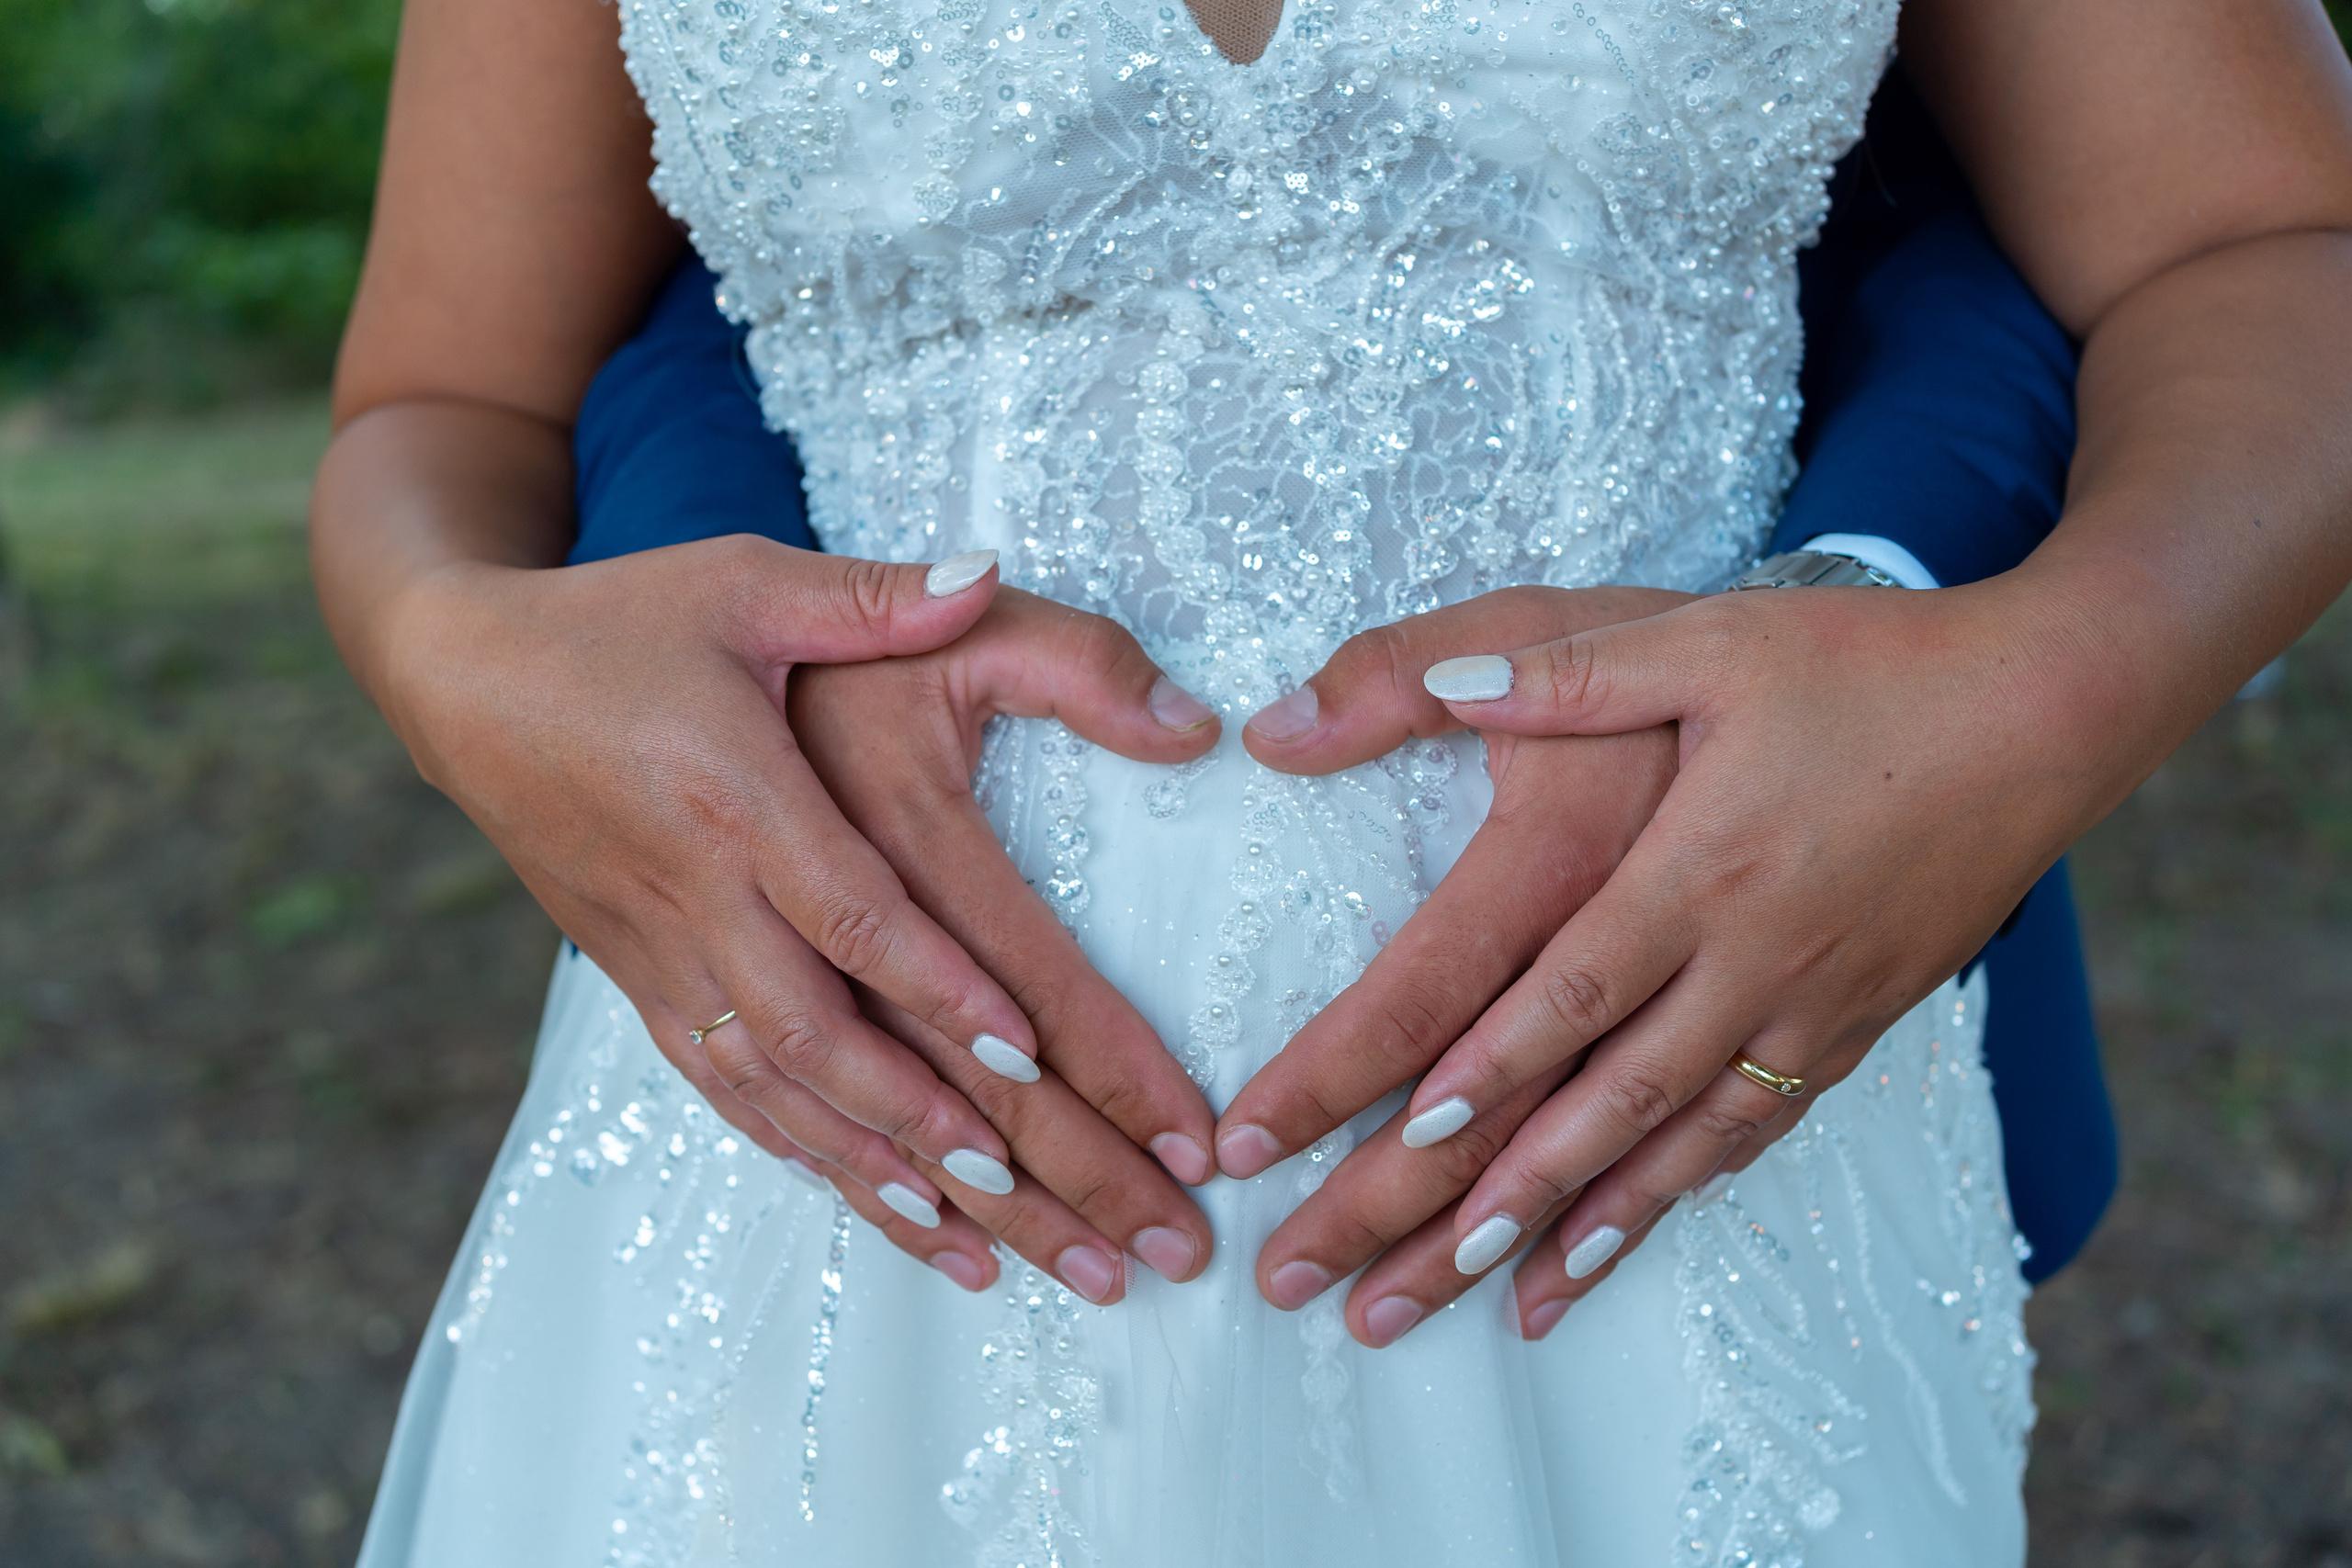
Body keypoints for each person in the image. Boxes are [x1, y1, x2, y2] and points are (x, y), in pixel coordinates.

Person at [319, 0, 2352, 1561]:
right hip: (842, 1116)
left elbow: (2270, 240)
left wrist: (2031, 691)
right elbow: (446, 394)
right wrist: (447, 648)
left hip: (1668, 1081)